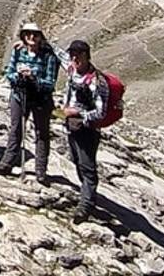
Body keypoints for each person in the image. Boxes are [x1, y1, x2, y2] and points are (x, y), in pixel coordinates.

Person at [0, 22, 59, 182]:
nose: (31, 37)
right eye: (28, 34)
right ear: (23, 36)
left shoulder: (49, 56)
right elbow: (8, 73)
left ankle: (41, 171)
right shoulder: (18, 51)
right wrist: (18, 75)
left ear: (40, 37)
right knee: (16, 128)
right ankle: (6, 163)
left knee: (41, 133)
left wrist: (33, 77)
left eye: (35, 34)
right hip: (19, 95)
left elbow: (50, 82)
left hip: (40, 98)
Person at [61, 39, 109, 223]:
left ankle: (85, 207)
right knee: (76, 160)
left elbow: (101, 112)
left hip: (88, 129)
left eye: (79, 54)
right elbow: (59, 55)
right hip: (72, 126)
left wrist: (77, 112)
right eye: (73, 54)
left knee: (87, 167)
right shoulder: (72, 69)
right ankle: (88, 196)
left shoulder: (97, 81)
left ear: (87, 56)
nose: (74, 57)